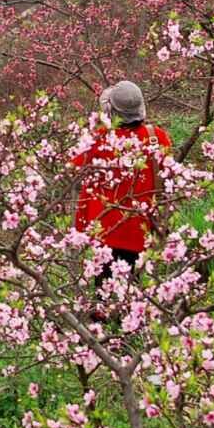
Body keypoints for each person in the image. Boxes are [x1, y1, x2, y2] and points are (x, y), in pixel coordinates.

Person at [71, 81, 172, 295]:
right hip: (141, 228)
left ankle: (100, 322)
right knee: (132, 290)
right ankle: (126, 323)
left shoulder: (100, 138)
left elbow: (73, 165)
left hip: (105, 228)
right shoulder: (157, 137)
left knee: (103, 287)